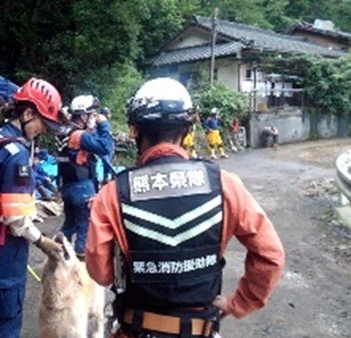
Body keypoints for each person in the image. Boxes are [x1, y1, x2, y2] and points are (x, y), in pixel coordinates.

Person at [85, 78, 285, 338]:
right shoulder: (224, 184)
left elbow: (101, 273)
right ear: (188, 130)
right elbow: (271, 256)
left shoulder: (112, 194)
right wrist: (240, 303)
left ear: (134, 130)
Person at [0, 78, 65, 338]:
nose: (42, 130)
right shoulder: (16, 154)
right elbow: (15, 217)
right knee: (5, 324)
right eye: (42, 123)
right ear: (27, 113)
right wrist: (42, 241)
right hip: (5, 253)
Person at [57, 94, 112, 259]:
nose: (94, 118)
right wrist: (103, 125)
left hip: (67, 185)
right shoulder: (78, 136)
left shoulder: (64, 131)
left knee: (69, 225)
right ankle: (81, 265)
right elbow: (105, 147)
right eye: (91, 114)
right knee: (84, 228)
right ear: (83, 116)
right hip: (81, 186)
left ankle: (57, 255)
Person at [99, 106, 116, 183]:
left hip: (110, 147)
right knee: (107, 164)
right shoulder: (101, 124)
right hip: (105, 147)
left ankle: (110, 178)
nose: (110, 115)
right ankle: (107, 179)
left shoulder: (106, 124)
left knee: (109, 163)